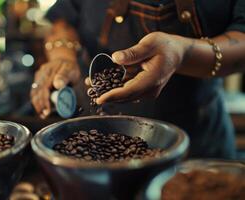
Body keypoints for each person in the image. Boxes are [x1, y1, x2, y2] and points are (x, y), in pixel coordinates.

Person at [30, 0, 245, 159]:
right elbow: (63, 18)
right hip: (94, 124)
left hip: (197, 139)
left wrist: (182, 54)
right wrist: (62, 55)